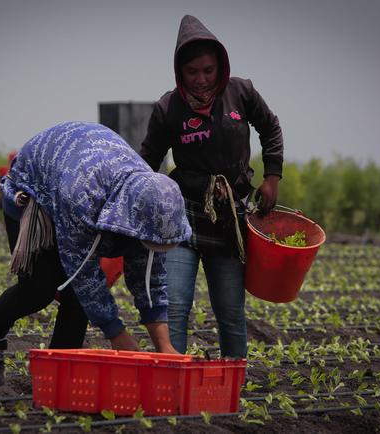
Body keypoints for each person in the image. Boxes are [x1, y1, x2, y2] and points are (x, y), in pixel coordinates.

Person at [0, 121, 192, 386]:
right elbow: (84, 277)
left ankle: (54, 378)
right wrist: (118, 336)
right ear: (131, 220)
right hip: (34, 189)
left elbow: (149, 277)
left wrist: (164, 346)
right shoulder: (83, 197)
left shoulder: (153, 203)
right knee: (39, 289)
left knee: (77, 303)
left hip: (81, 181)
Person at [140, 15, 284, 358]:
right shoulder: (167, 108)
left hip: (230, 218)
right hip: (183, 215)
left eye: (208, 70)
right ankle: (172, 385)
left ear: (220, 66)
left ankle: (233, 387)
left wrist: (272, 176)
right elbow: (147, 161)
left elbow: (270, 127)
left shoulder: (241, 92)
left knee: (230, 313)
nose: (201, 79)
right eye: (192, 72)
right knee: (174, 305)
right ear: (180, 72)